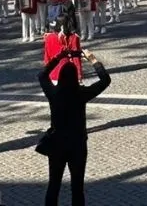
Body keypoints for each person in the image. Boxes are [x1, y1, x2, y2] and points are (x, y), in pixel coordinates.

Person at [38, 48, 111, 206]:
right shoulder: (81, 93)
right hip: (77, 144)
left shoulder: (54, 93)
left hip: (57, 143)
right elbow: (105, 80)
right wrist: (93, 60)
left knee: (54, 185)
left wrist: (58, 57)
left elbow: (42, 75)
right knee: (77, 188)